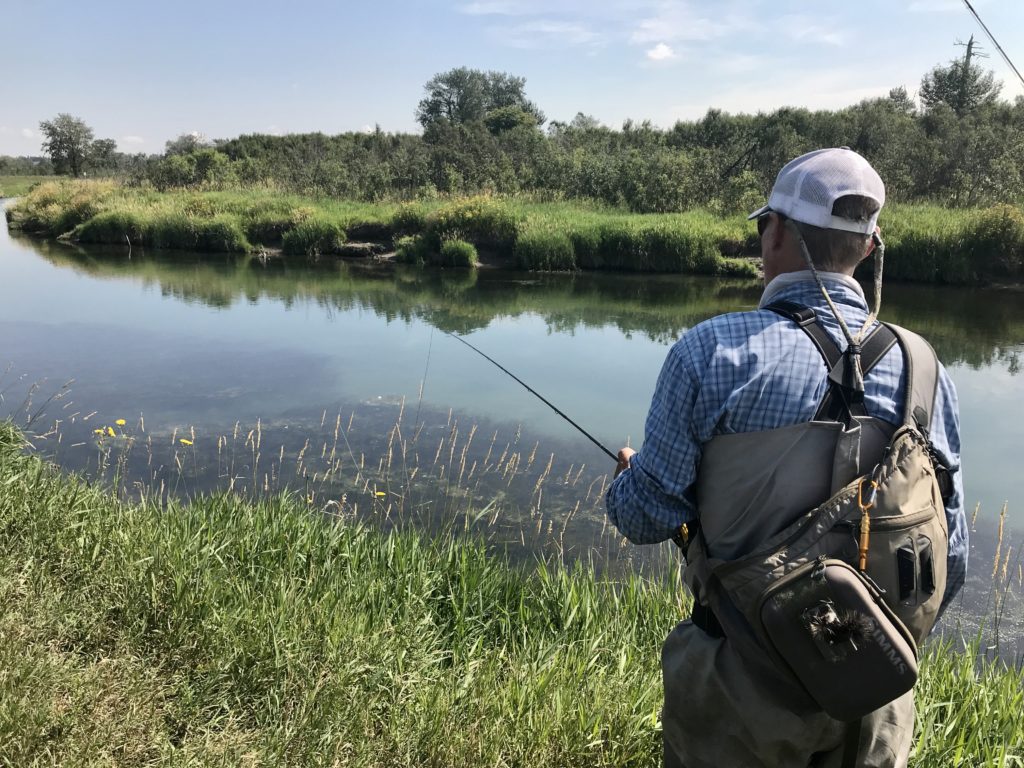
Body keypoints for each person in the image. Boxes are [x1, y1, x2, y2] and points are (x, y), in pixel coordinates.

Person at [605, 148, 966, 768]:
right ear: (869, 245)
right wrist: (864, 646)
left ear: (775, 232)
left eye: (762, 225)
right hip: (874, 692)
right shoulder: (924, 369)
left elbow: (643, 520)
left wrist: (629, 481)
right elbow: (950, 556)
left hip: (739, 689)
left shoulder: (709, 353)